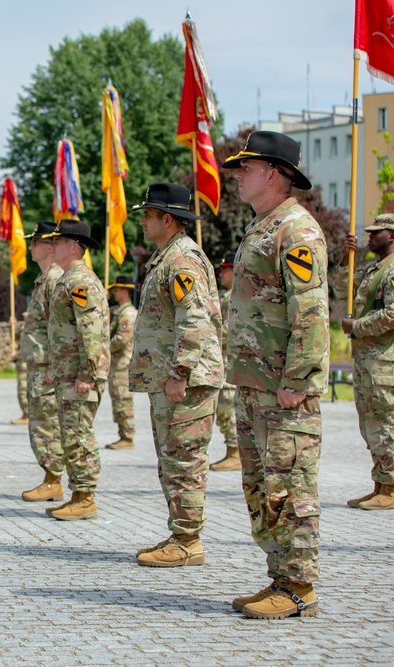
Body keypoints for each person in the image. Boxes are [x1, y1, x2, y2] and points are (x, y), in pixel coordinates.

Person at [221, 130, 329, 619]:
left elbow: (310, 313)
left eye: (246, 168)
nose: (238, 176)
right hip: (253, 386)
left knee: (291, 486)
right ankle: (279, 578)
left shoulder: (296, 230)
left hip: (283, 390)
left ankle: (299, 587)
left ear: (274, 174)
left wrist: (296, 380)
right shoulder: (262, 225)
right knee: (263, 488)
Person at [128, 183, 223, 567]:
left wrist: (180, 372)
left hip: (187, 380)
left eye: (148, 215)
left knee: (184, 460)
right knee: (173, 458)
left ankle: (188, 541)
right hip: (172, 378)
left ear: (167, 219)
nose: (143, 221)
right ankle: (181, 533)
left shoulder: (182, 260)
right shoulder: (166, 257)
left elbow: (194, 318)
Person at [44, 220, 109, 519]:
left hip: (79, 375)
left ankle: (85, 498)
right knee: (71, 433)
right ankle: (79, 494)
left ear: (73, 247)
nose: (52, 246)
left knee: (79, 434)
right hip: (67, 372)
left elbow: (92, 331)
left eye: (58, 242)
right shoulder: (67, 279)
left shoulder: (80, 281)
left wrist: (88, 373)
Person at [340, 215, 394, 510]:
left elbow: (392, 313)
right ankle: (381, 483)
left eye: (377, 232)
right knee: (370, 425)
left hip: (385, 361)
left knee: (385, 423)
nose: (370, 236)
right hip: (367, 361)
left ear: (393, 236)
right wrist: (345, 257)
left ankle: (391, 486)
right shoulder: (372, 269)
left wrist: (357, 327)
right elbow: (340, 287)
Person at [19, 221, 67, 502]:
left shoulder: (53, 279)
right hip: (39, 365)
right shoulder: (44, 279)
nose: (30, 247)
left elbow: (58, 327)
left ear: (49, 247)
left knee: (47, 423)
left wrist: (53, 365)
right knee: (40, 423)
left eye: (35, 242)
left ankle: (53, 480)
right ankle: (51, 477)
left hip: (47, 366)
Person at [210, 252, 241, 471]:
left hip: (230, 360)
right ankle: (232, 449)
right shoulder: (224, 296)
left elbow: (231, 330)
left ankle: (236, 451)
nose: (221, 274)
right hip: (220, 360)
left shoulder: (236, 298)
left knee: (228, 406)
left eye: (225, 269)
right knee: (222, 407)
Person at [105, 276, 138, 450]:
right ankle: (123, 434)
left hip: (123, 364)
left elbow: (121, 339)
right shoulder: (119, 311)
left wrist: (103, 348)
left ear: (125, 291)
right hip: (117, 365)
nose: (114, 292)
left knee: (123, 400)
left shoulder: (128, 313)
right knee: (118, 399)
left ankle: (128, 436)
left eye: (116, 289)